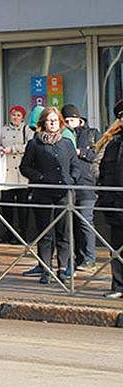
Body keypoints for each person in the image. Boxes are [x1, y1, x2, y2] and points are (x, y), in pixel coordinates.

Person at [19, 106, 77, 285]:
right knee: (45, 233)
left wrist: (72, 178)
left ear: (60, 123)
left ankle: (63, 269)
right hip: (43, 193)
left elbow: (75, 164)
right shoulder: (35, 143)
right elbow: (25, 167)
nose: (52, 123)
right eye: (48, 121)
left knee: (64, 232)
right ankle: (45, 269)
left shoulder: (66, 142)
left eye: (55, 120)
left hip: (64, 192)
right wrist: (40, 178)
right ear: (43, 123)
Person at [62, 104, 101, 271]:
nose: (69, 123)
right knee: (73, 223)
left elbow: (98, 155)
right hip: (69, 185)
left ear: (79, 119)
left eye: (72, 120)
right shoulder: (63, 134)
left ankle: (89, 258)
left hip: (86, 184)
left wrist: (80, 152)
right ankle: (77, 258)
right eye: (67, 121)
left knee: (85, 220)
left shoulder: (92, 134)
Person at [93, 99, 123, 299]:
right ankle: (119, 286)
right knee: (117, 249)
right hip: (115, 204)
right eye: (120, 116)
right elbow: (103, 172)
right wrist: (104, 195)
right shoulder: (113, 143)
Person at [0, 105, 34, 244]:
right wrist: (1, 149)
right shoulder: (4, 129)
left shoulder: (26, 129)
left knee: (22, 207)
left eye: (18, 115)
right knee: (7, 205)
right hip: (7, 173)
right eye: (13, 115)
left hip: (21, 174)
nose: (15, 117)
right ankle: (8, 232)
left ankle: (22, 234)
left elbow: (30, 146)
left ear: (22, 117)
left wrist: (13, 149)